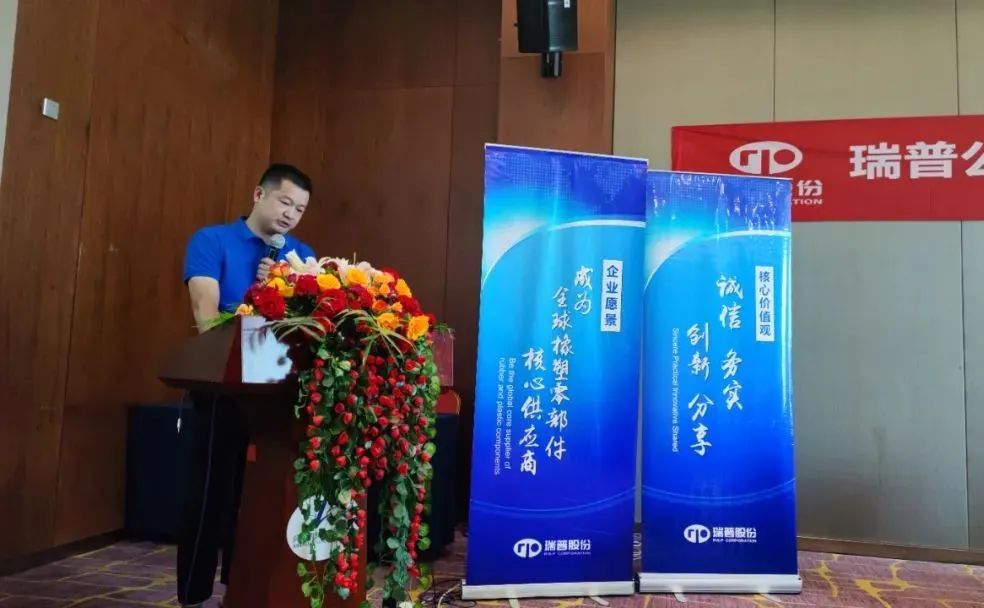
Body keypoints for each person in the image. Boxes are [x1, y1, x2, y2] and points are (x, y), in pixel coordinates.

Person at [177, 163, 315, 607]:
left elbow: (310, 326)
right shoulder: (212, 241)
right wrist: (255, 301)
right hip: (221, 389)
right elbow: (205, 318)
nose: (291, 214)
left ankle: (243, 589)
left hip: (278, 392)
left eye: (300, 209)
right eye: (285, 202)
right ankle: (195, 595)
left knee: (264, 496)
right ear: (259, 194)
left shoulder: (302, 255)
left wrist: (282, 292)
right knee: (210, 494)